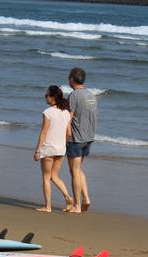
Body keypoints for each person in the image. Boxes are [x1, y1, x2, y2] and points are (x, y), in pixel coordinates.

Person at [33, 85, 73, 213]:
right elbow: (69, 133)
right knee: (55, 176)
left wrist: (38, 150)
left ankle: (48, 206)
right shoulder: (66, 113)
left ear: (52, 97)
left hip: (49, 148)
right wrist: (64, 145)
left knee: (46, 177)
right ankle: (68, 197)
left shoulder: (48, 112)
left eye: (46, 95)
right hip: (61, 149)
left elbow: (44, 132)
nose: (45, 97)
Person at [66, 67, 96, 213]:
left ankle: (77, 205)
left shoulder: (74, 95)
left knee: (74, 171)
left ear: (72, 79)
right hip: (89, 137)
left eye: (69, 77)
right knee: (78, 169)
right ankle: (86, 199)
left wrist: (66, 135)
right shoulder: (91, 95)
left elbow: (69, 118)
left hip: (76, 138)